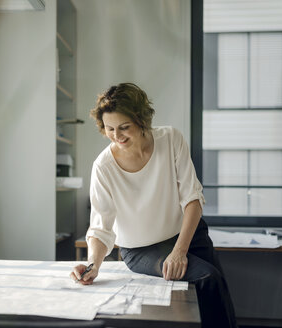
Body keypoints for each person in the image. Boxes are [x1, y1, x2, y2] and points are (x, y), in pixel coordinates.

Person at [69, 83, 237, 328]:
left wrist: (179, 251)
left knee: (218, 288)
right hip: (142, 250)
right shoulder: (103, 167)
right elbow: (100, 227)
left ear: (141, 120)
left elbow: (192, 198)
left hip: (188, 234)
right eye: (110, 128)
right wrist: (93, 264)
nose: (117, 135)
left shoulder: (170, 139)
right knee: (207, 278)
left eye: (124, 127)